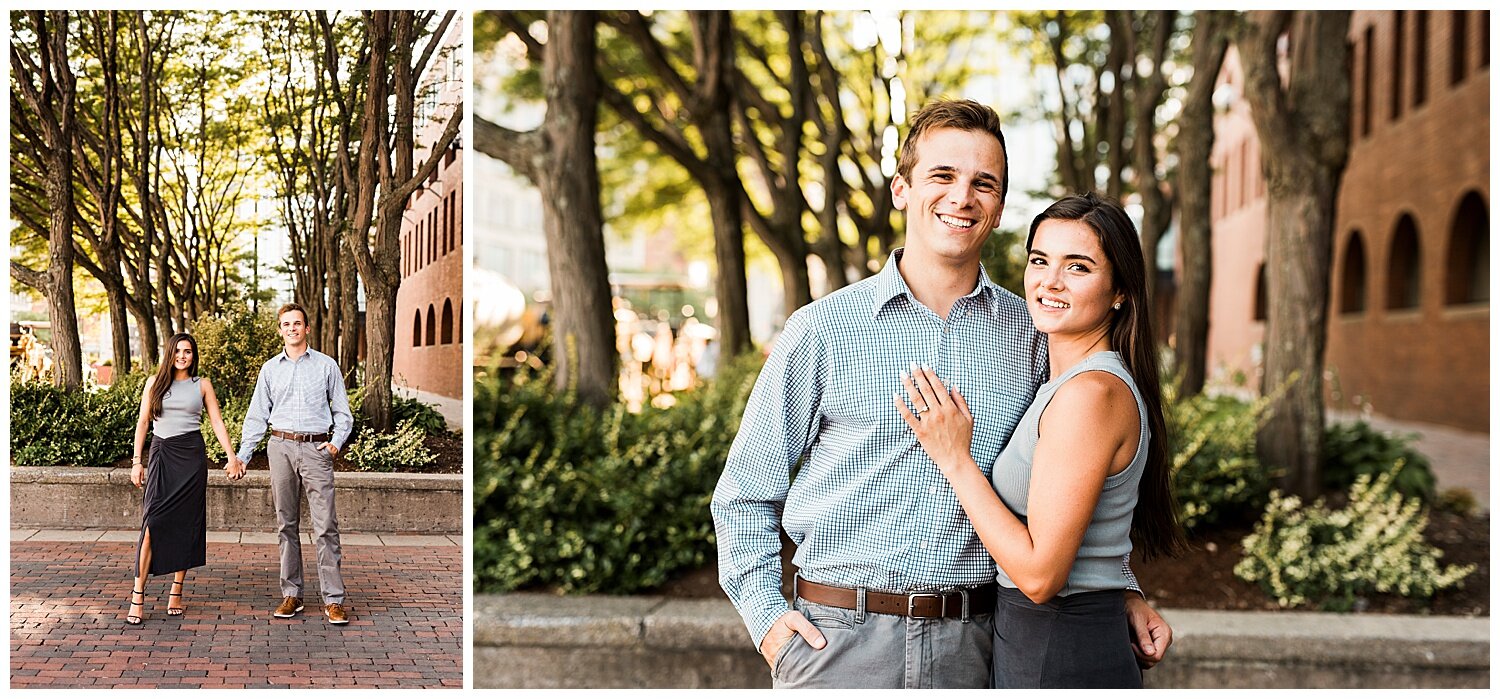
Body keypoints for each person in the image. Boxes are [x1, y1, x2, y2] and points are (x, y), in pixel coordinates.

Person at [711, 100, 1172, 689]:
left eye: (984, 183)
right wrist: (771, 625)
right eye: (943, 176)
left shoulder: (1035, 334)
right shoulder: (822, 329)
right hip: (840, 644)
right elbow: (744, 496)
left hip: (981, 643)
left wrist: (1118, 589)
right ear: (902, 189)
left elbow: (1071, 484)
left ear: (1000, 207)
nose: (962, 197)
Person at [899, 193, 1186, 687]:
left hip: (1058, 647)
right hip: (1043, 640)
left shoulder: (1090, 395)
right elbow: (1091, 535)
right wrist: (1125, 591)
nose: (1050, 281)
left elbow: (1039, 577)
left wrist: (955, 459)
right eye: (1040, 260)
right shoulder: (1065, 382)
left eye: (1077, 267)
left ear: (1119, 290)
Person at [237, 303, 354, 625]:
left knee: (325, 526)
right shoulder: (270, 369)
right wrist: (244, 455)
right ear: (280, 330)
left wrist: (334, 444)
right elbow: (257, 415)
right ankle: (292, 594)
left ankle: (334, 599)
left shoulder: (326, 366)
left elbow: (343, 412)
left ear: (307, 328)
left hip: (316, 449)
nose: (292, 328)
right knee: (286, 525)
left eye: (297, 323)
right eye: (286, 324)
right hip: (280, 448)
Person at [127, 333, 245, 625]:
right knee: (152, 523)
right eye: (178, 350)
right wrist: (136, 461)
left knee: (186, 524)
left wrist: (231, 456)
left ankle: (176, 592)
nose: (183, 355)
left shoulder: (201, 384)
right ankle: (137, 594)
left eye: (188, 351)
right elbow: (143, 422)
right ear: (170, 353)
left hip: (191, 456)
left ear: (194, 355)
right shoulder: (154, 383)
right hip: (162, 453)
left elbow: (216, 420)